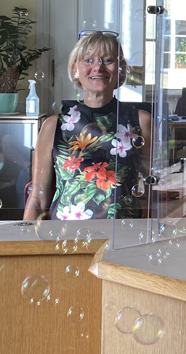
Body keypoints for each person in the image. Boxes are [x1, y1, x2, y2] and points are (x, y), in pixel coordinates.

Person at [23, 31, 152, 221]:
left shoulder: (141, 121)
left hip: (123, 233)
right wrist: (25, 237)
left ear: (121, 70)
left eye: (107, 60)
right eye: (89, 61)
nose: (98, 67)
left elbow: (152, 192)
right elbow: (37, 199)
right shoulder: (53, 125)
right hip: (64, 233)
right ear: (75, 69)